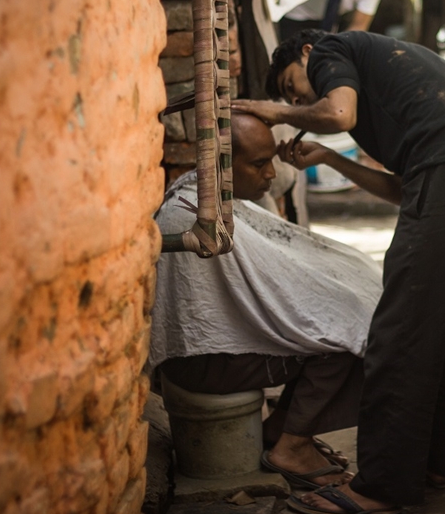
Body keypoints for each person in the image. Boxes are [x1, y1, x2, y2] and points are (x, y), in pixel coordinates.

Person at [232, 30, 445, 514]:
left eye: (292, 85)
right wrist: (330, 158)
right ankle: (444, 464)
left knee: (398, 334)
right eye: (289, 97)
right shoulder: (390, 83)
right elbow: (407, 191)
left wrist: (271, 112)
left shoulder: (329, 50)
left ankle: (380, 486)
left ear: (305, 54)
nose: (297, 98)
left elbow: (337, 114)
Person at [150, 113, 383, 489]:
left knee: (346, 317)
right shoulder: (189, 216)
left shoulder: (215, 196)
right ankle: (291, 447)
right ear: (223, 164)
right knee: (343, 339)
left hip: (215, 350)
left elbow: (268, 282)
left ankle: (279, 431)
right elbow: (215, 316)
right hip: (199, 359)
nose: (271, 174)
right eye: (260, 164)